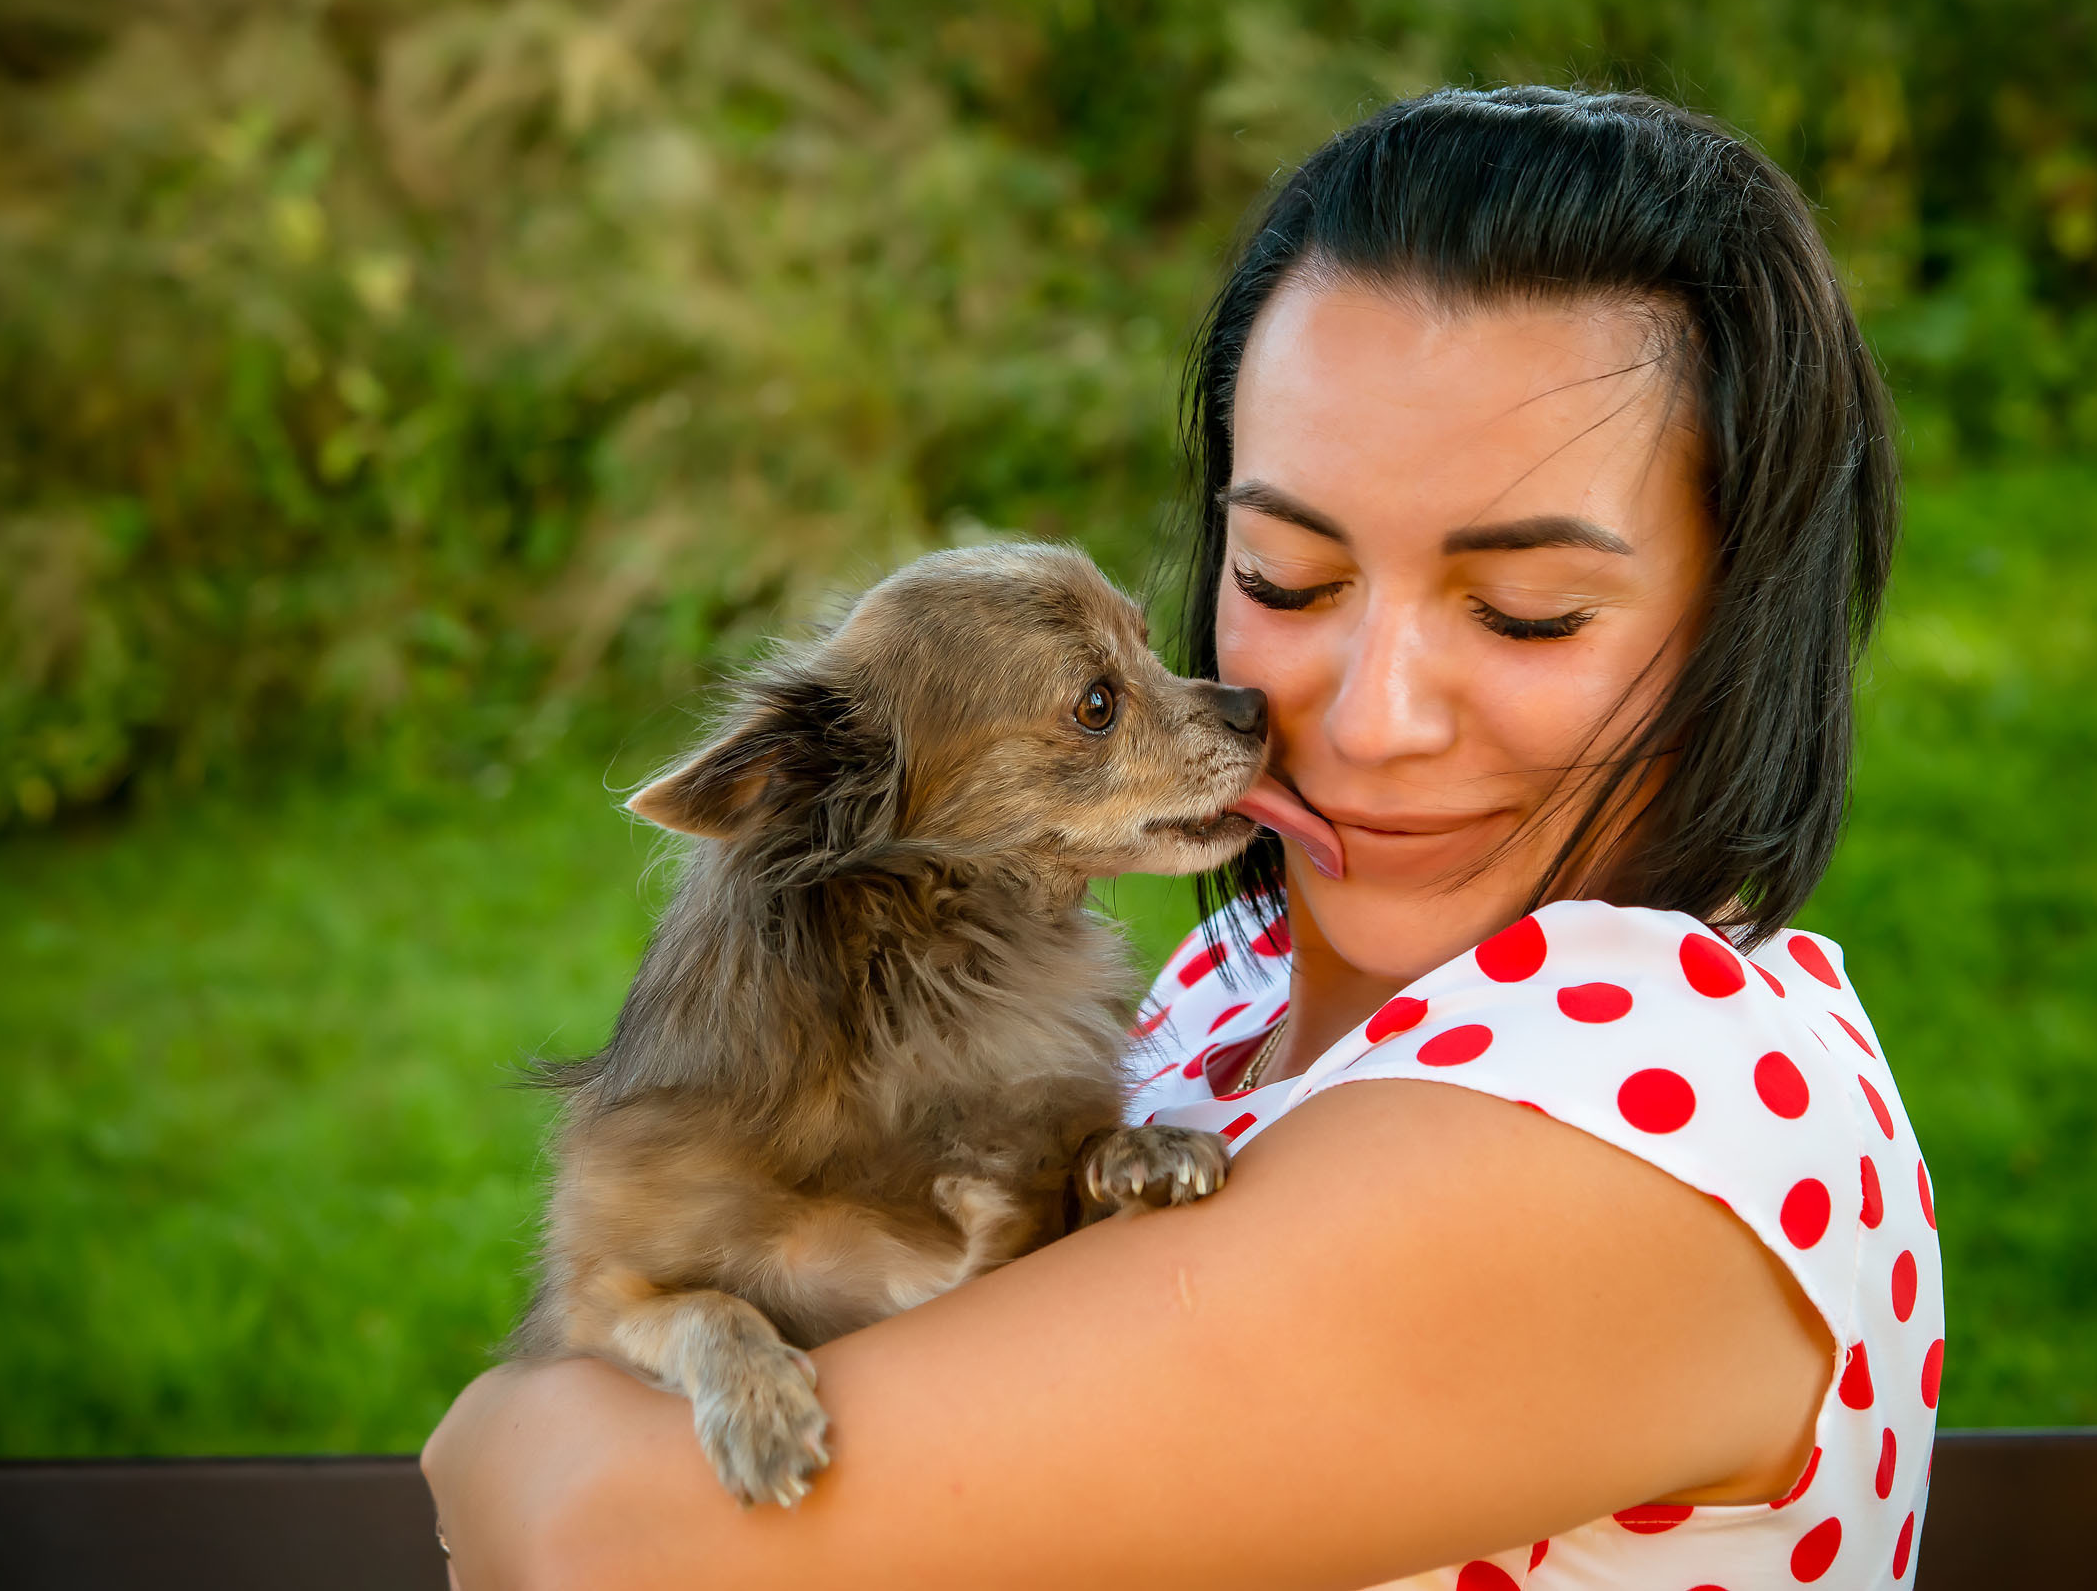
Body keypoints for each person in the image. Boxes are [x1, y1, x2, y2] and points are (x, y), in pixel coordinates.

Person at [422, 85, 1939, 1590]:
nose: (1370, 719)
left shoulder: (1654, 1118)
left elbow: (596, 1535)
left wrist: (519, 1420)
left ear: (1746, 623)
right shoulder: (1238, 988)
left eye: (1524, 611)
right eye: (1285, 578)